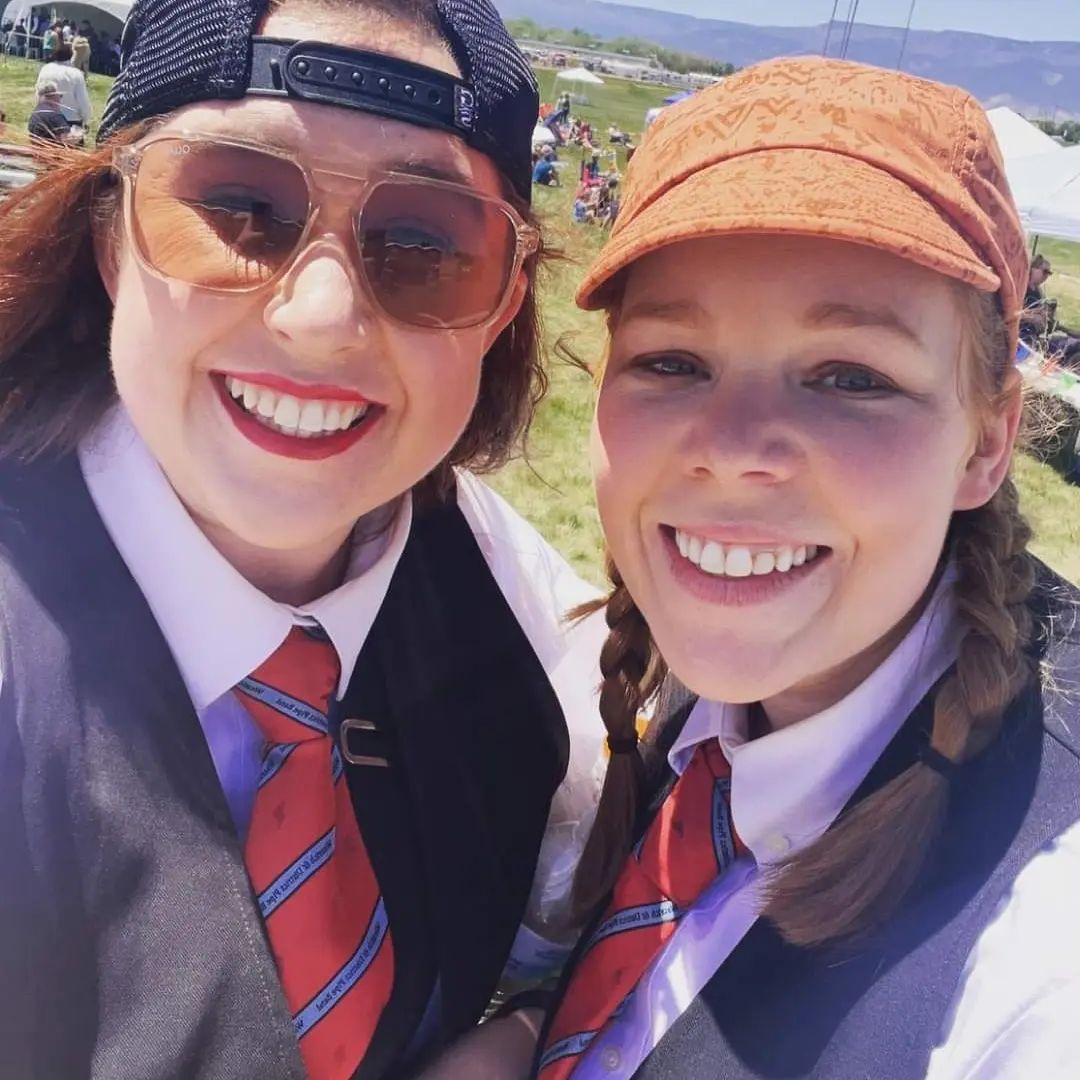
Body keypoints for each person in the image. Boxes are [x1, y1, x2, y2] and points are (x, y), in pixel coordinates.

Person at [422, 57, 1080, 1079]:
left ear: (989, 442)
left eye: (852, 377)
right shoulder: (727, 677)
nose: (732, 448)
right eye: (673, 361)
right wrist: (528, 1038)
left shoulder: (1041, 959)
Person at [0, 1, 607, 1078]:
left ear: (505, 304)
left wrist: (511, 1044)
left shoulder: (511, 608)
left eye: (424, 244)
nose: (321, 316)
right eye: (239, 204)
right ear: (110, 235)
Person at [36, 42, 93, 127]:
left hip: (46, 118)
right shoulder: (76, 74)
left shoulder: (45, 69)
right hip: (70, 121)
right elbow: (82, 101)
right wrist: (86, 119)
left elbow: (38, 94)